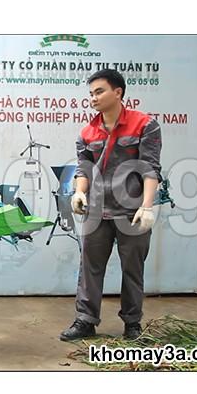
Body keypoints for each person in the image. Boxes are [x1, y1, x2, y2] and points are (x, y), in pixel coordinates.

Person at [60, 69, 162, 341]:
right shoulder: (87, 132)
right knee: (89, 268)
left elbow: (150, 168)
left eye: (99, 91)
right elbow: (84, 168)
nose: (93, 98)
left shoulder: (144, 125)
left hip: (131, 211)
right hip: (96, 211)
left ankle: (132, 323)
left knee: (133, 269)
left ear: (118, 92)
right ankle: (85, 321)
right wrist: (79, 192)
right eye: (91, 93)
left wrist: (147, 206)